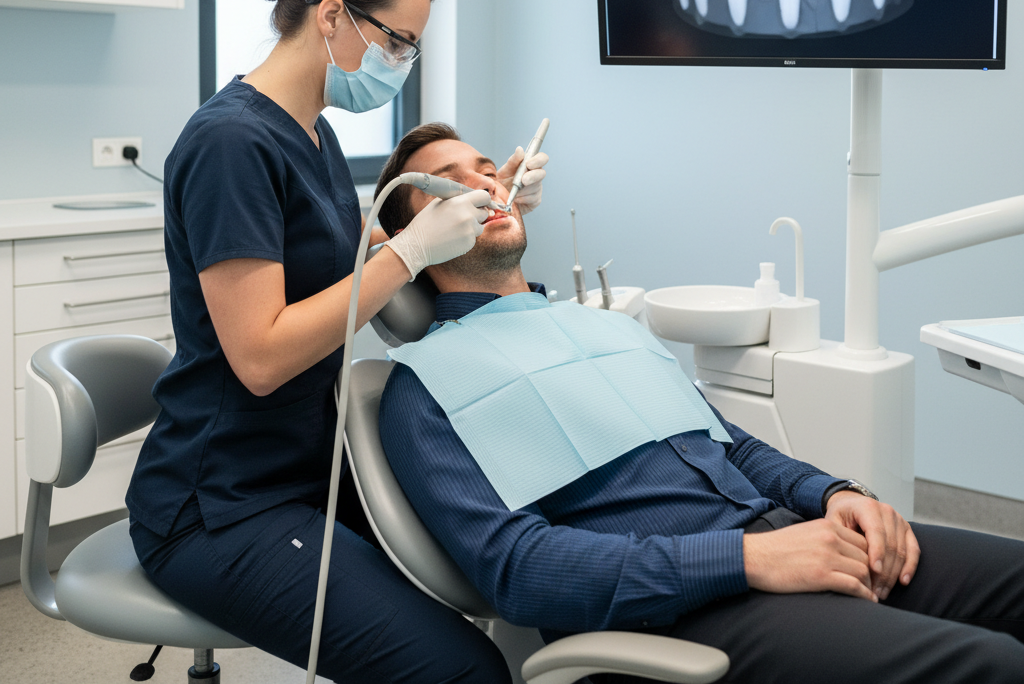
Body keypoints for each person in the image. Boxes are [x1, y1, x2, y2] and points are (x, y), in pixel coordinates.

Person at [375, 122, 1024, 684]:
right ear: (411, 238)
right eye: (449, 184)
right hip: (687, 611)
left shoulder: (604, 327)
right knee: (993, 664)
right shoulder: (423, 388)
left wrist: (834, 494)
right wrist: (746, 560)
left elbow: (729, 447)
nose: (485, 185)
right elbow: (520, 573)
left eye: (489, 171)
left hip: (787, 534)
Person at [126, 0, 547, 683]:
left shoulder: (312, 133)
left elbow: (352, 262)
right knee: (459, 670)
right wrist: (411, 251)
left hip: (309, 462)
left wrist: (489, 207)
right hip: (221, 502)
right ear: (331, 16)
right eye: (398, 42)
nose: (401, 64)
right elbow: (261, 357)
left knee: (519, 566)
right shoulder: (231, 144)